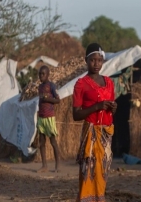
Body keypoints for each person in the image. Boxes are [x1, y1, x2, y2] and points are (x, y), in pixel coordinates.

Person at [72, 43, 117, 202]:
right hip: (91, 134)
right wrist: (96, 106)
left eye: (100, 60)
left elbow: (111, 110)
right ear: (86, 60)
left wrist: (112, 107)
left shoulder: (110, 83)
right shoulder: (81, 84)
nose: (96, 64)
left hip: (105, 135)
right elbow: (76, 114)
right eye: (93, 60)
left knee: (101, 173)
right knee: (88, 174)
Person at [36, 65, 61, 173]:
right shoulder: (40, 87)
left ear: (48, 75)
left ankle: (57, 166)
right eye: (39, 74)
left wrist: (48, 98)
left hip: (49, 117)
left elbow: (58, 100)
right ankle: (44, 166)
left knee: (53, 142)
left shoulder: (51, 86)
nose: (41, 76)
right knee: (41, 142)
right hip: (41, 117)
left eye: (43, 74)